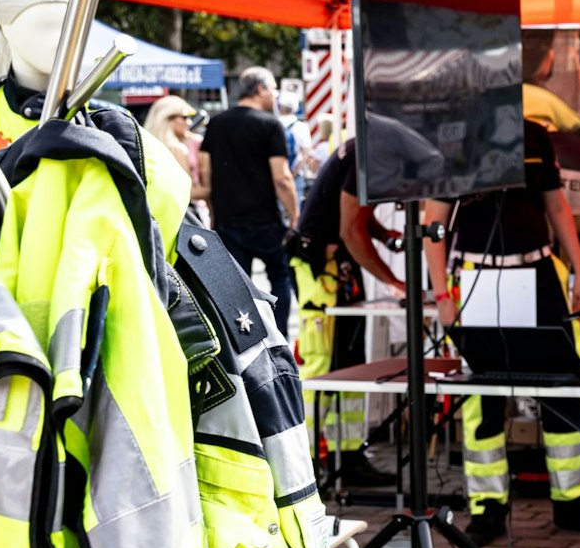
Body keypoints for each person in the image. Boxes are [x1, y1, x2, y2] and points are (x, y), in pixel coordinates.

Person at [424, 121, 580, 542]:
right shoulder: (453, 137)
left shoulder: (534, 135)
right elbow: (433, 223)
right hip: (475, 275)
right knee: (482, 397)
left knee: (563, 388)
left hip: (539, 270)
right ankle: (488, 507)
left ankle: (575, 500)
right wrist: (441, 294)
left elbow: (556, 205)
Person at [293, 135, 402, 487]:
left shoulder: (367, 147)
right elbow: (350, 229)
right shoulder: (370, 152)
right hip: (319, 266)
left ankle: (349, 456)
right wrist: (394, 282)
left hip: (337, 265)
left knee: (351, 364)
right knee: (321, 363)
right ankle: (304, 461)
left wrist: (385, 235)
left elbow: (354, 212)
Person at [200, 67, 299, 333]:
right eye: (274, 90)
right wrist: (295, 216)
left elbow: (205, 172)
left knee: (235, 288)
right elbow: (282, 178)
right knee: (279, 278)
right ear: (261, 90)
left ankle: (244, 343)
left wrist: (213, 212)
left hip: (228, 220)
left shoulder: (217, 124)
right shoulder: (270, 124)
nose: (275, 96)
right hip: (265, 220)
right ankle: (279, 341)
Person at [142, 93, 203, 191]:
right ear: (167, 118)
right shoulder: (176, 149)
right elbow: (187, 190)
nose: (189, 122)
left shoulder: (144, 146)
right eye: (184, 117)